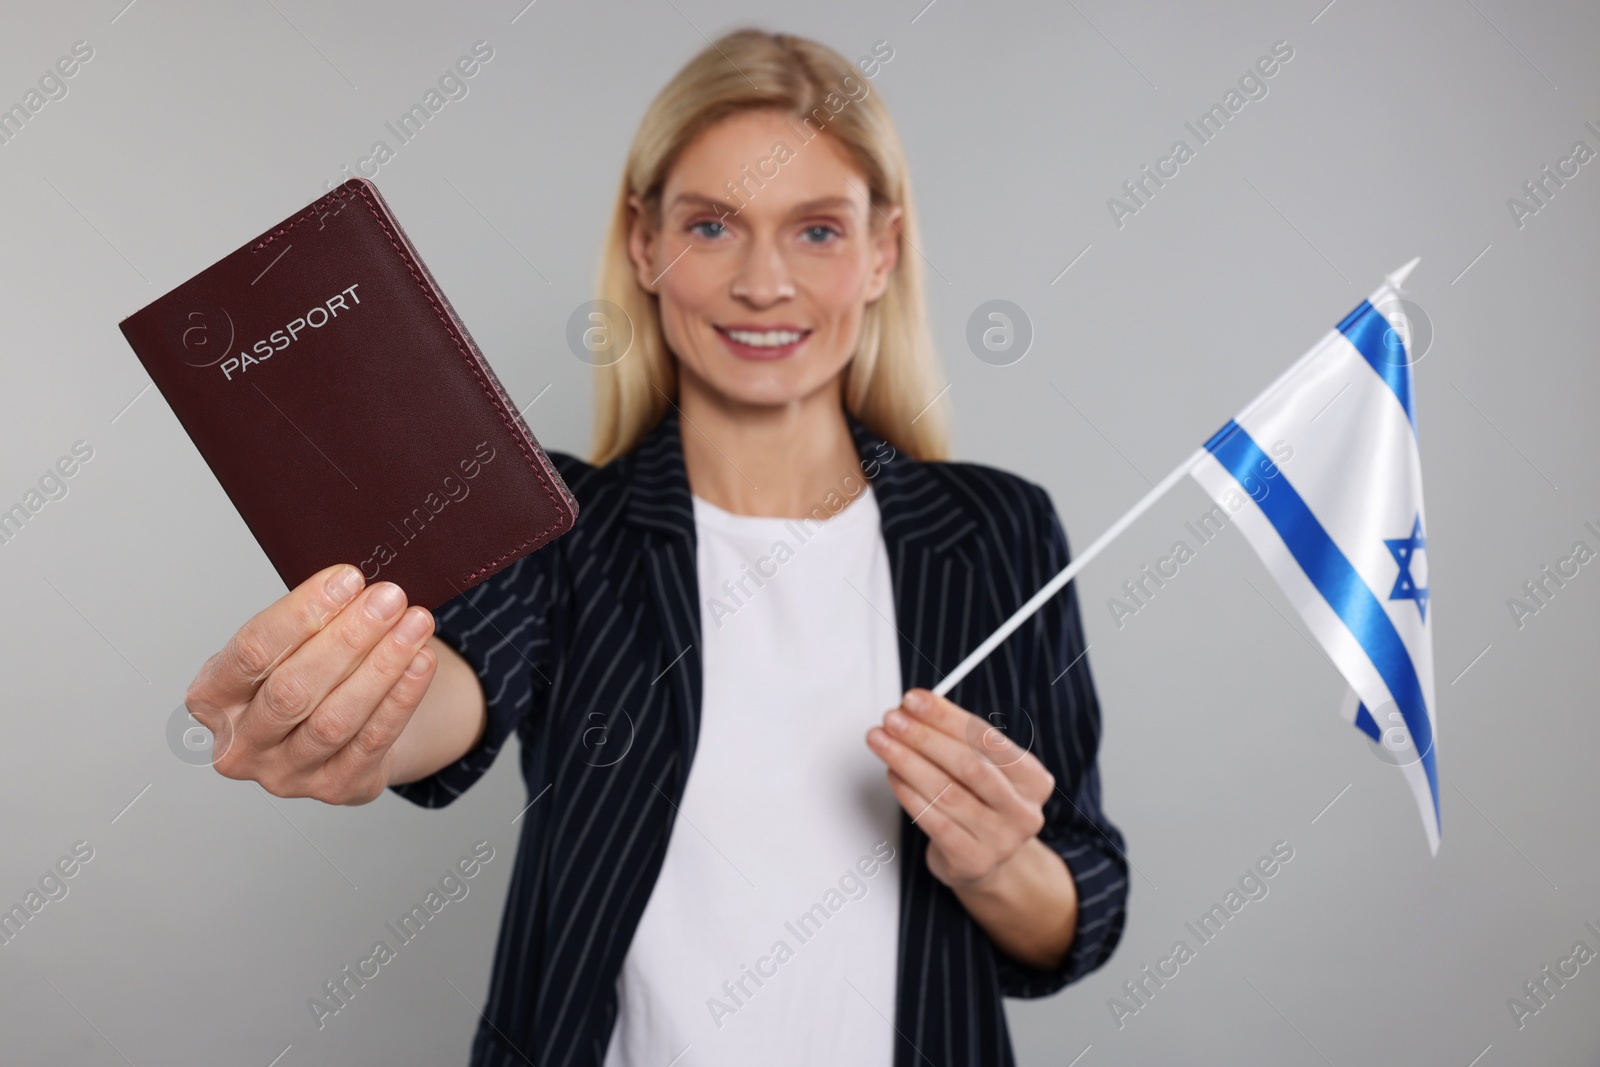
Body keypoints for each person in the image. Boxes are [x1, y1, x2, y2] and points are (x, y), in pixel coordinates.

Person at [183, 28, 1127, 1067]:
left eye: (816, 230)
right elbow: (448, 694)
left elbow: (1080, 906)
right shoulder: (562, 524)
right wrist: (352, 710)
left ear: (882, 252)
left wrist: (998, 863)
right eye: (713, 225)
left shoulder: (996, 529)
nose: (762, 282)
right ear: (643, 243)